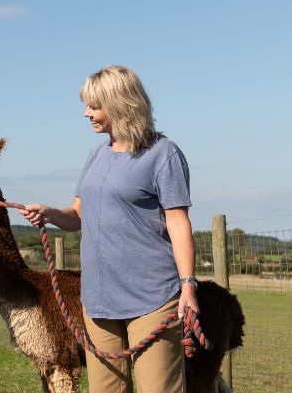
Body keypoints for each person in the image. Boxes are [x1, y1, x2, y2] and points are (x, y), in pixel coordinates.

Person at [16, 65, 198, 392]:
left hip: (152, 299)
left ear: (120, 104)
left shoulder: (163, 154)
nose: (86, 113)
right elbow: (77, 214)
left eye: (94, 106)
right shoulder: (96, 155)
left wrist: (188, 287)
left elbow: (178, 223)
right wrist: (51, 213)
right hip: (98, 302)